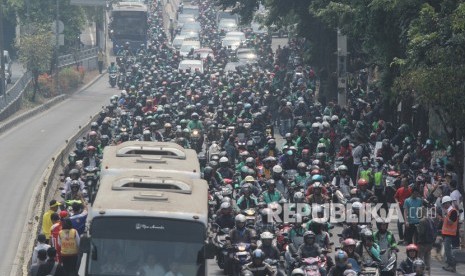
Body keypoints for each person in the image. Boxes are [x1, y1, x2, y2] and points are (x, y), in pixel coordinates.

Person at [441, 195, 458, 272]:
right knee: (447, 250)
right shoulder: (448, 211)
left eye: (444, 204)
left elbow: (451, 222)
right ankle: (449, 264)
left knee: (448, 251)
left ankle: (452, 266)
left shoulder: (453, 211)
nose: (443, 206)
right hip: (446, 234)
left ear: (448, 203)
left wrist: (445, 216)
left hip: (450, 234)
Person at [416, 206, 435, 274]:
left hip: (422, 243)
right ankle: (428, 273)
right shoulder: (430, 219)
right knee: (427, 260)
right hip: (429, 243)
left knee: (420, 260)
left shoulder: (422, 221)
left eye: (418, 212)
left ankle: (420, 274)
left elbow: (421, 232)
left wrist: (417, 227)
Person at [394, 177, 412, 244]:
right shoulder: (399, 190)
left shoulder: (410, 190)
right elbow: (395, 197)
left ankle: (405, 238)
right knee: (399, 223)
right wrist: (397, 202)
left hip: (407, 209)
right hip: (400, 208)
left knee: (406, 223)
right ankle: (401, 238)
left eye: (403, 181)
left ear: (406, 183)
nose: (401, 183)